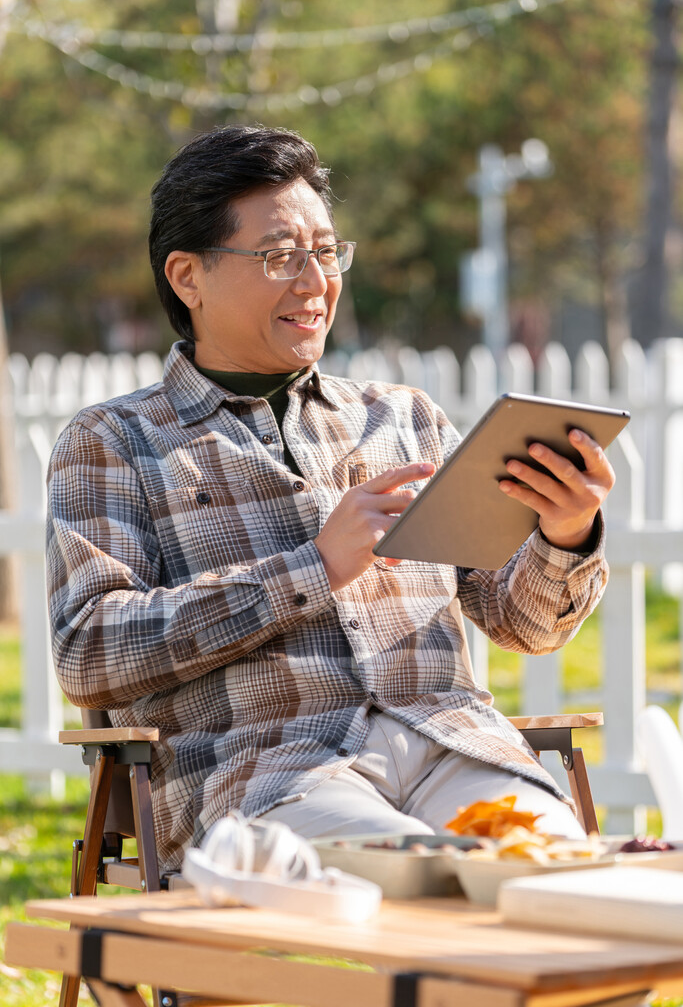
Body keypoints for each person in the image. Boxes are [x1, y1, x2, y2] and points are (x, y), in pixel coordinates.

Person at [46, 125, 614, 875]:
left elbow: (521, 622)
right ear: (188, 276)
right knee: (434, 882)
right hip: (271, 776)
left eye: (324, 251)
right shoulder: (114, 442)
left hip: (453, 745)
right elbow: (89, 653)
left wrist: (564, 533)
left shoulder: (402, 420)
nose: (315, 282)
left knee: (567, 879)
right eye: (280, 255)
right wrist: (312, 568)